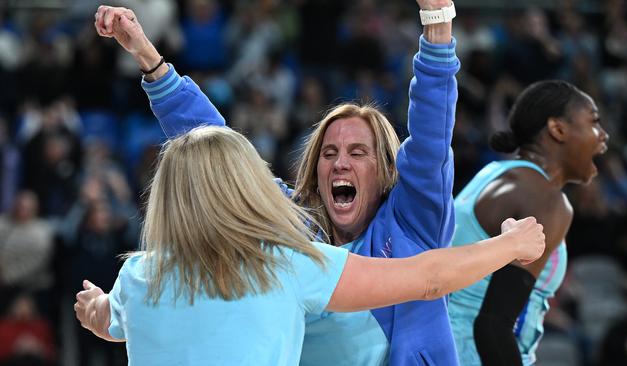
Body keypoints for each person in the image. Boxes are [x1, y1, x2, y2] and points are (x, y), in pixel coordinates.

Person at [94, 1, 461, 364]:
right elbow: (211, 147)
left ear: (385, 170)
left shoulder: (414, 221)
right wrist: (147, 55)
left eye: (358, 153)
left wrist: (438, 20)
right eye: (328, 153)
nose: (340, 163)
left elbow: (431, 137)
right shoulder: (289, 228)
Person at [74, 125, 546, 366]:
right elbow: (428, 279)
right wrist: (509, 244)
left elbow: (109, 322)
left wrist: (96, 306)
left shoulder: (138, 278)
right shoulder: (286, 266)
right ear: (244, 187)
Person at [447, 80, 610, 366]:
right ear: (558, 129)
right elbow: (492, 328)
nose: (604, 137)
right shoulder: (545, 199)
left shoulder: (496, 172)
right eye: (594, 122)